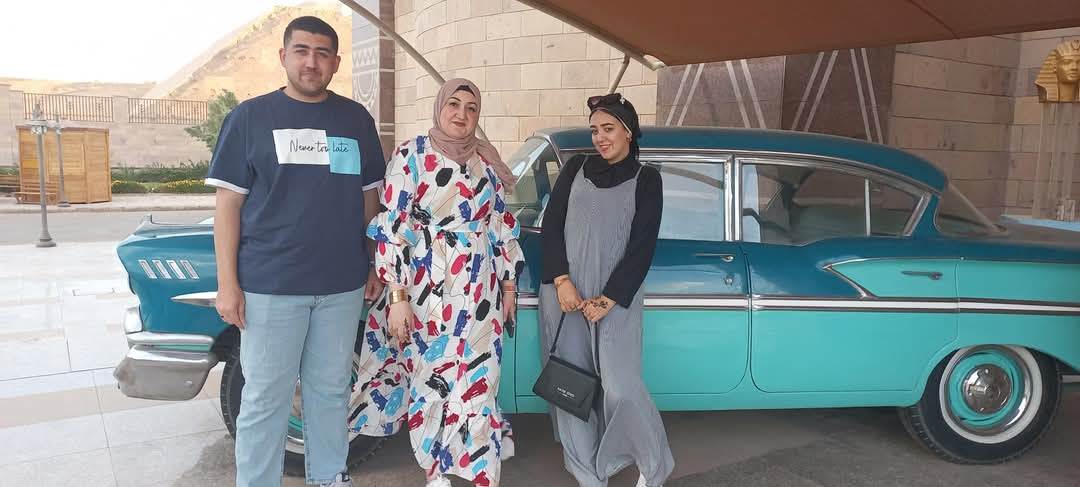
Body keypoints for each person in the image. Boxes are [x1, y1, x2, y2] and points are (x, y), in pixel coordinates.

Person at [204, 16, 385, 487]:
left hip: (341, 287)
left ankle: (329, 478)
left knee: (331, 393)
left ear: (336, 63)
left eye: (322, 53)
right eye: (302, 51)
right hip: (271, 287)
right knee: (265, 398)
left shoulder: (355, 121)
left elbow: (369, 199)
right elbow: (228, 207)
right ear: (283, 56)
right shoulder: (249, 119)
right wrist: (228, 284)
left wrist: (372, 260)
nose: (311, 62)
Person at [353, 78, 524, 487]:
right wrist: (397, 296)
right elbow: (392, 228)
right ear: (440, 107)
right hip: (427, 288)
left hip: (480, 289)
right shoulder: (411, 155)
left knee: (480, 380)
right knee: (432, 379)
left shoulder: (486, 161)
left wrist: (508, 287)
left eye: (471, 108)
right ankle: (435, 471)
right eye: (454, 104)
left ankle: (481, 472)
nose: (462, 114)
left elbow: (500, 225)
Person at [539, 93, 674, 487]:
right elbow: (551, 226)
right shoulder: (575, 168)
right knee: (571, 385)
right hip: (566, 296)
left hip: (616, 299)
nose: (600, 137)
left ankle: (652, 463)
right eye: (595, 129)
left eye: (609, 128)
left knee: (620, 384)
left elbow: (642, 245)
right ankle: (588, 474)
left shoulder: (648, 180)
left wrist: (609, 298)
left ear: (628, 132)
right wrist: (562, 280)